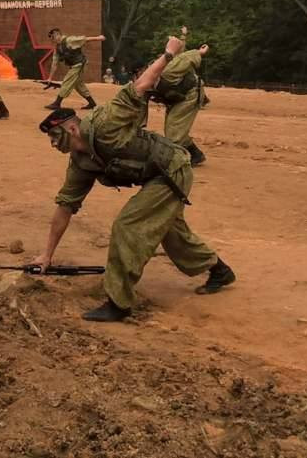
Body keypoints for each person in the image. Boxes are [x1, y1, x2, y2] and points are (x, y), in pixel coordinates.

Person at [32, 34, 235, 322]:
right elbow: (65, 206)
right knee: (169, 231)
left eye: (55, 136)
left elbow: (140, 86)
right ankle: (219, 270)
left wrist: (167, 54)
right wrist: (46, 256)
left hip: (171, 168)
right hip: (154, 177)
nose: (53, 143)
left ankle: (119, 302)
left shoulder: (105, 123)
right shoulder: (80, 162)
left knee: (129, 225)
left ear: (72, 129)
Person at [146, 37, 210, 166]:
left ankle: (175, 162)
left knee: (174, 130)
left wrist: (200, 52)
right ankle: (196, 155)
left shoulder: (168, 69)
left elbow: (186, 58)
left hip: (190, 94)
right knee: (175, 126)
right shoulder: (145, 80)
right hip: (177, 96)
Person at [43, 29, 104, 110]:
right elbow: (54, 64)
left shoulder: (69, 40)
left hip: (80, 64)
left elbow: (84, 39)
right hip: (74, 66)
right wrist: (50, 78)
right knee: (78, 85)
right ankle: (92, 103)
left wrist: (98, 38)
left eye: (53, 37)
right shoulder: (57, 48)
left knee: (67, 81)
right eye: (51, 38)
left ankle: (57, 103)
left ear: (58, 34)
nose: (53, 40)